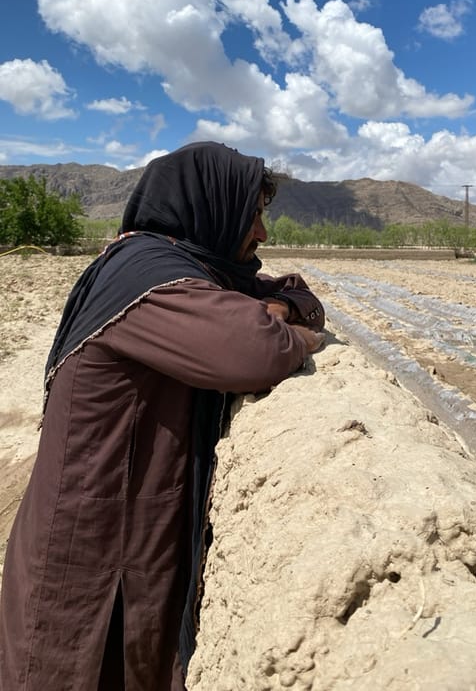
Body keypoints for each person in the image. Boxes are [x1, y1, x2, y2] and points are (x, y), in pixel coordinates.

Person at [0, 142, 325, 691]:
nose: (263, 235)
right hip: (90, 546)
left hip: (130, 531)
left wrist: (286, 309)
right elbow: (256, 350)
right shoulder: (149, 281)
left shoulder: (191, 268)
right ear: (208, 205)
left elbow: (299, 295)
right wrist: (296, 334)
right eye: (255, 216)